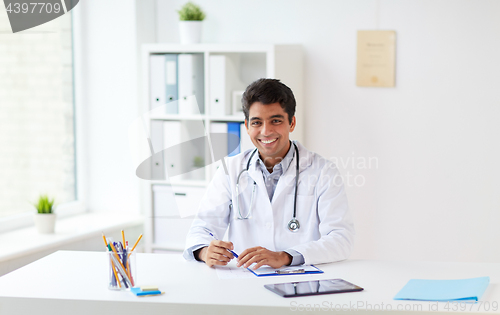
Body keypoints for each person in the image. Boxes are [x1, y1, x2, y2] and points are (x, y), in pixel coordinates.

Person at [183, 78, 354, 270]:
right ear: (247, 126)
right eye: (257, 122)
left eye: (275, 121)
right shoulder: (230, 170)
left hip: (300, 280)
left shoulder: (323, 171)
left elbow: (341, 239)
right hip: (244, 278)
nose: (266, 131)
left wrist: (286, 257)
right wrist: (205, 251)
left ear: (291, 123)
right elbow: (201, 228)